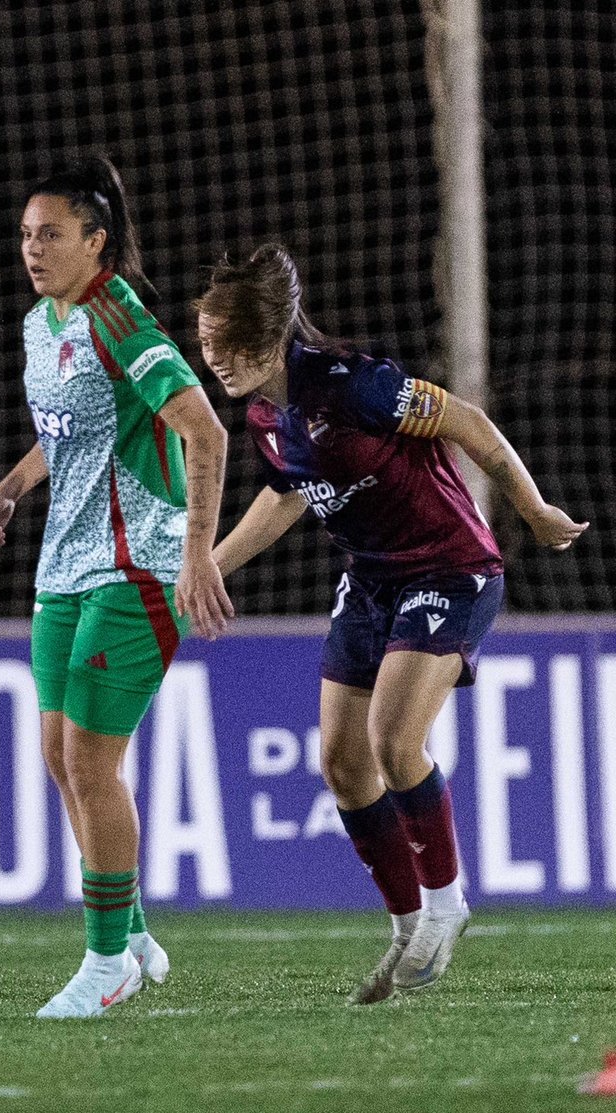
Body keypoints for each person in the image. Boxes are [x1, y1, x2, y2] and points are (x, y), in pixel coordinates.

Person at [196, 243, 586, 1003]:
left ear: (270, 335)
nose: (213, 358)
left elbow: (466, 421)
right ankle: (407, 923)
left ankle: (447, 904)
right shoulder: (265, 415)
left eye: (224, 343)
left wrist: (532, 508)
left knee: (394, 740)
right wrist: (210, 563)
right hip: (370, 581)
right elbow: (287, 495)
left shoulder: (355, 384)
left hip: (448, 567)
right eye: (205, 343)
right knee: (341, 763)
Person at [0, 156, 233, 1019]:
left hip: (138, 567)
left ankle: (107, 960)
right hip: (63, 569)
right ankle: (138, 933)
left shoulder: (121, 318)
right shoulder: (41, 325)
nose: (32, 249)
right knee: (59, 757)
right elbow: (70, 434)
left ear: (96, 240)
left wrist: (198, 554)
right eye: (24, 234)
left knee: (90, 760)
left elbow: (205, 430)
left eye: (50, 234)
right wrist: (10, 489)